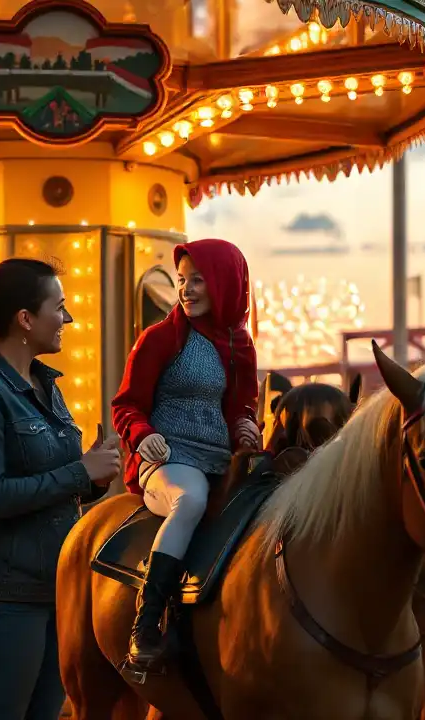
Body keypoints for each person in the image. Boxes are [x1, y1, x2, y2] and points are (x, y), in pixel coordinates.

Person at [0, 251, 120, 720]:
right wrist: (80, 472)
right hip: (4, 595)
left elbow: (52, 488)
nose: (67, 318)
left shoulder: (45, 387)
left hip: (55, 588)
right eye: (59, 307)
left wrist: (95, 478)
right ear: (25, 318)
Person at [111, 238, 259, 676]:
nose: (186, 289)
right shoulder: (160, 338)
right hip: (170, 458)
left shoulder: (239, 345)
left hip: (221, 460)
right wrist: (142, 435)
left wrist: (247, 427)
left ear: (225, 283)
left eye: (198, 280)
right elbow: (126, 404)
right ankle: (145, 624)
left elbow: (242, 407)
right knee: (190, 500)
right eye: (181, 280)